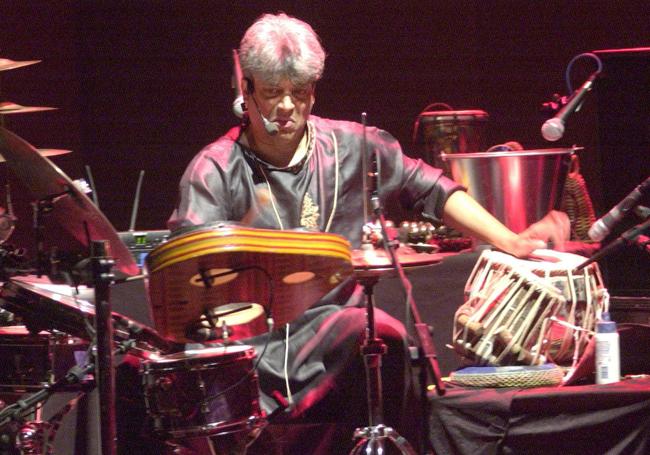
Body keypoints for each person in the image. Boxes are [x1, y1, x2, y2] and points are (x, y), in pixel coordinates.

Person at [163, 12, 570, 454]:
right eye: (272, 93)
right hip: (256, 346)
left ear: (313, 91)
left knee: (382, 335)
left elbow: (431, 188)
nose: (285, 107)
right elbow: (191, 271)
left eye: (298, 93)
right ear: (247, 90)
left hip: (338, 330)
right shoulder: (215, 168)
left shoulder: (354, 146)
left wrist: (508, 239)